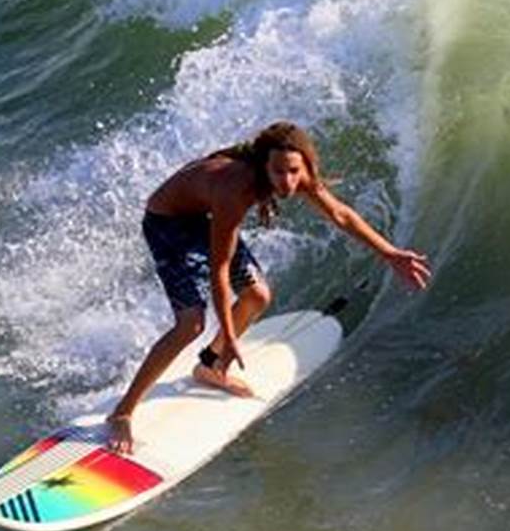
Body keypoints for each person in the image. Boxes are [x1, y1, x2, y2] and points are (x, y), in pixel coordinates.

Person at [106, 122, 430, 454]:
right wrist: (230, 335)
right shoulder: (235, 190)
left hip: (202, 216)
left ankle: (210, 367)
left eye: (293, 171)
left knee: (258, 295)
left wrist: (390, 253)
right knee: (191, 323)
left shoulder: (295, 176)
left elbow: (341, 215)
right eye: (278, 172)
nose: (287, 182)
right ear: (264, 167)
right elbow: (219, 269)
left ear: (304, 166)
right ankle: (123, 412)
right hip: (167, 222)